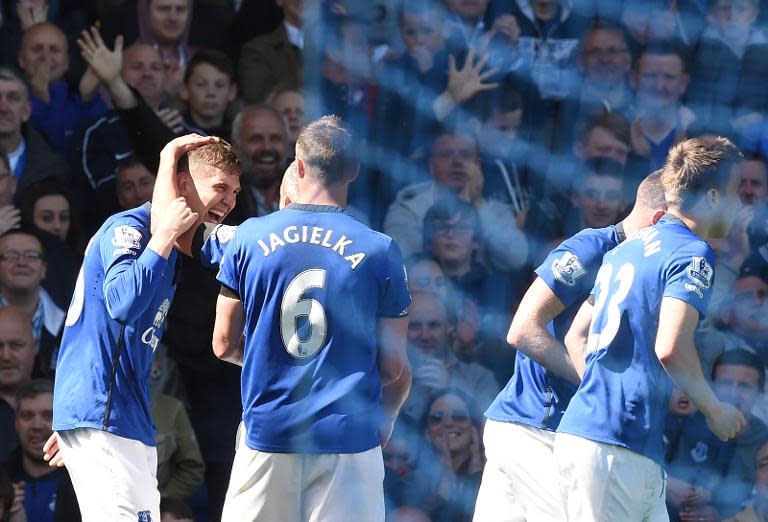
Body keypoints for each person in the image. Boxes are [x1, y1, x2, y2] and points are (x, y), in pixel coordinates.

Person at [212, 115, 412, 521]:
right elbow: (393, 367)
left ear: (298, 167)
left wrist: (274, 360)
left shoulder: (248, 238)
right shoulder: (380, 249)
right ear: (355, 170)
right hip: (348, 437)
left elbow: (223, 344)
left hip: (269, 431)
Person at [47, 135, 240, 521]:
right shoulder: (132, 230)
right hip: (105, 415)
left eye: (235, 191)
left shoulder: (166, 248)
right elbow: (121, 303)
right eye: (220, 187)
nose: (229, 201)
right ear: (184, 185)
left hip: (119, 415)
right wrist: (165, 235)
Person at [556, 136, 746, 520]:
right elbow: (671, 347)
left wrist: (601, 394)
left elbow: (576, 335)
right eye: (735, 193)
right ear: (711, 196)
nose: (740, 205)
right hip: (614, 449)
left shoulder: (628, 248)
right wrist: (715, 410)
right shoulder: (692, 252)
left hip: (620, 444)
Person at [473, 171, 667, 521]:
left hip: (557, 433)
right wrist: (596, 385)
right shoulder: (592, 247)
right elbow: (522, 330)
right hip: (536, 427)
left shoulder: (654, 268)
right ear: (661, 219)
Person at [3, 379, 80, 521]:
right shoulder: (3, 480)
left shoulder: (85, 482)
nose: (37, 426)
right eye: (27, 416)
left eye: (48, 415)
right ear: (16, 423)